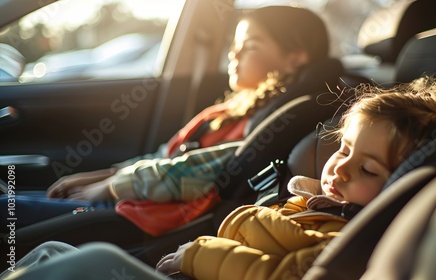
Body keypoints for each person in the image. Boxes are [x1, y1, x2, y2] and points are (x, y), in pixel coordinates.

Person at [0, 76, 436, 280]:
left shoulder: (346, 233)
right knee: (56, 255)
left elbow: (283, 275)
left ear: (400, 188)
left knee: (92, 260)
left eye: (369, 169)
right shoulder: (318, 207)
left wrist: (200, 252)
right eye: (345, 150)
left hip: (197, 263)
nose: (342, 167)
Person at [0, 6, 335, 231]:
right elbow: (165, 155)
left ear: (295, 58)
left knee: (9, 212)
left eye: (249, 46)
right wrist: (103, 174)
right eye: (233, 45)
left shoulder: (271, 121)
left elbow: (201, 172)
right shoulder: (233, 108)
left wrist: (110, 186)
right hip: (134, 200)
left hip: (142, 217)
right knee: (15, 202)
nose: (233, 54)